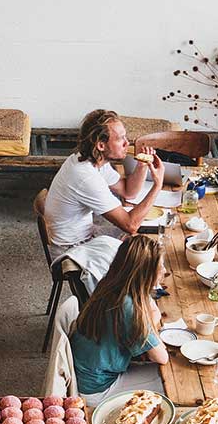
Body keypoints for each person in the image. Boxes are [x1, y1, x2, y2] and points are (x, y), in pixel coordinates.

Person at [43, 110, 166, 291]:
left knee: (148, 245)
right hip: (71, 248)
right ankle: (134, 307)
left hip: (84, 234)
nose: (127, 143)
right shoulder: (85, 176)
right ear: (101, 145)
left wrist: (142, 166)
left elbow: (128, 191)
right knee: (143, 258)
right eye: (120, 139)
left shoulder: (92, 161)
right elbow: (130, 224)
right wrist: (157, 186)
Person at [70, 235, 170, 405]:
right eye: (160, 266)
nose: (164, 270)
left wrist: (151, 318)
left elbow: (151, 309)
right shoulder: (127, 306)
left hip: (89, 373)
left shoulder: (110, 284)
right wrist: (152, 323)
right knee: (169, 383)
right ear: (146, 272)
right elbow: (161, 357)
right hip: (98, 390)